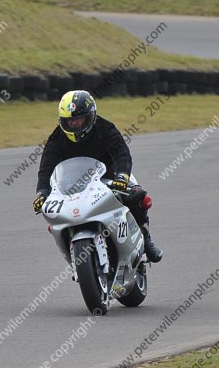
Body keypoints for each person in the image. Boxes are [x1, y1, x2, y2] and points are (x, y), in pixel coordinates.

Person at [33, 90, 163, 263]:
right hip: (73, 184)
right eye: (69, 121)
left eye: (78, 120)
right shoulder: (57, 138)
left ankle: (145, 239)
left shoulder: (105, 128)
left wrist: (123, 176)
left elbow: (122, 153)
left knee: (138, 196)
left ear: (91, 117)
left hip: (110, 177)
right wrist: (42, 192)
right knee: (54, 214)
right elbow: (46, 168)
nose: (74, 125)